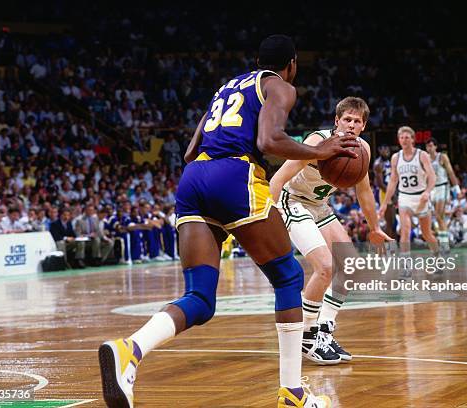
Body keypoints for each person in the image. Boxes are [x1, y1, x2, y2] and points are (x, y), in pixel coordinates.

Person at [98, 35, 358, 408]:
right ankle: (293, 393)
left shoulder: (226, 88)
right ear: (292, 64)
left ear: (256, 60)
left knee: (200, 299)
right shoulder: (279, 86)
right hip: (233, 176)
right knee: (287, 277)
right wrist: (320, 150)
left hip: (193, 179)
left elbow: (190, 150)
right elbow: (269, 140)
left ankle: (130, 349)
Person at [269, 96, 392, 365]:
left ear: (363, 126)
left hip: (320, 207)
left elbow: (363, 191)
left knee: (350, 265)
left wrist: (374, 228)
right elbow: (278, 178)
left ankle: (324, 328)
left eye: (356, 121)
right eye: (346, 119)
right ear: (337, 121)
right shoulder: (316, 142)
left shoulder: (363, 150)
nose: (350, 125)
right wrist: (270, 216)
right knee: (325, 267)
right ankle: (306, 335)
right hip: (293, 202)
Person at [380, 126, 438, 279]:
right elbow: (393, 181)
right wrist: (385, 203)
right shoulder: (395, 158)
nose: (404, 140)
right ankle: (406, 268)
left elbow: (432, 177)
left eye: (407, 137)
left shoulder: (422, 155)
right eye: (401, 137)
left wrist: (427, 192)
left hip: (421, 197)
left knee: (427, 234)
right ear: (398, 140)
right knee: (404, 231)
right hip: (404, 197)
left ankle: (437, 254)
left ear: (413, 139)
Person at [425, 138, 460, 254]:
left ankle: (445, 245)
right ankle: (444, 243)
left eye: (431, 146)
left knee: (439, 216)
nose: (430, 148)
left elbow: (450, 173)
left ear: (435, 147)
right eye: (428, 146)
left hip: (443, 187)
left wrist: (457, 190)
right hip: (432, 189)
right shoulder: (425, 159)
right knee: (438, 218)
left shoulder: (442, 157)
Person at [373, 144, 397, 238]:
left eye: (388, 148)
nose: (387, 150)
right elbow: (380, 183)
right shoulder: (378, 163)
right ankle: (388, 248)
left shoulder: (388, 161)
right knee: (389, 221)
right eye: (384, 148)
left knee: (393, 221)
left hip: (389, 191)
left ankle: (392, 246)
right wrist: (392, 194)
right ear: (379, 150)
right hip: (383, 192)